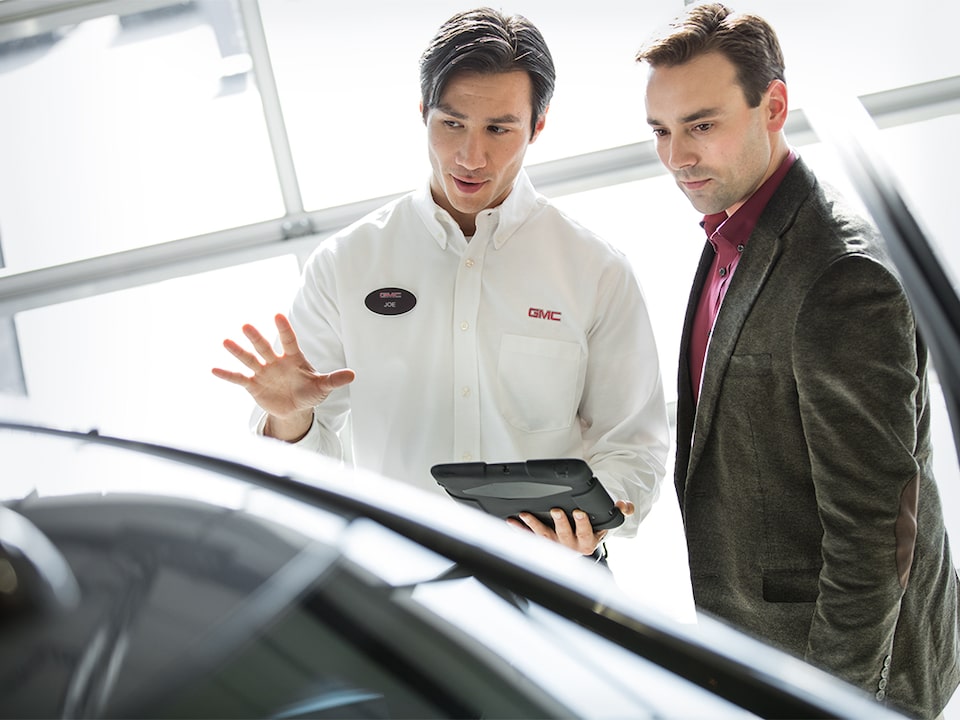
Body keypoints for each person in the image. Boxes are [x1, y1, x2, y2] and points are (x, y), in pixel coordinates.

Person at [213, 7, 669, 562]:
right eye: (451, 123)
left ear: (538, 125)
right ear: (422, 111)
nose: (470, 156)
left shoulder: (597, 271)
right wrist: (290, 417)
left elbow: (633, 446)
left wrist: (597, 514)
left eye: (499, 129)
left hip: (558, 581)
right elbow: (310, 470)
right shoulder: (344, 264)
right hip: (398, 587)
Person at [635, 3, 959, 717]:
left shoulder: (841, 276)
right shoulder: (732, 233)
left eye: (701, 124)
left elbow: (875, 535)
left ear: (773, 105)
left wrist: (832, 703)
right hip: (764, 652)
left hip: (843, 674)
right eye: (661, 130)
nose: (677, 155)